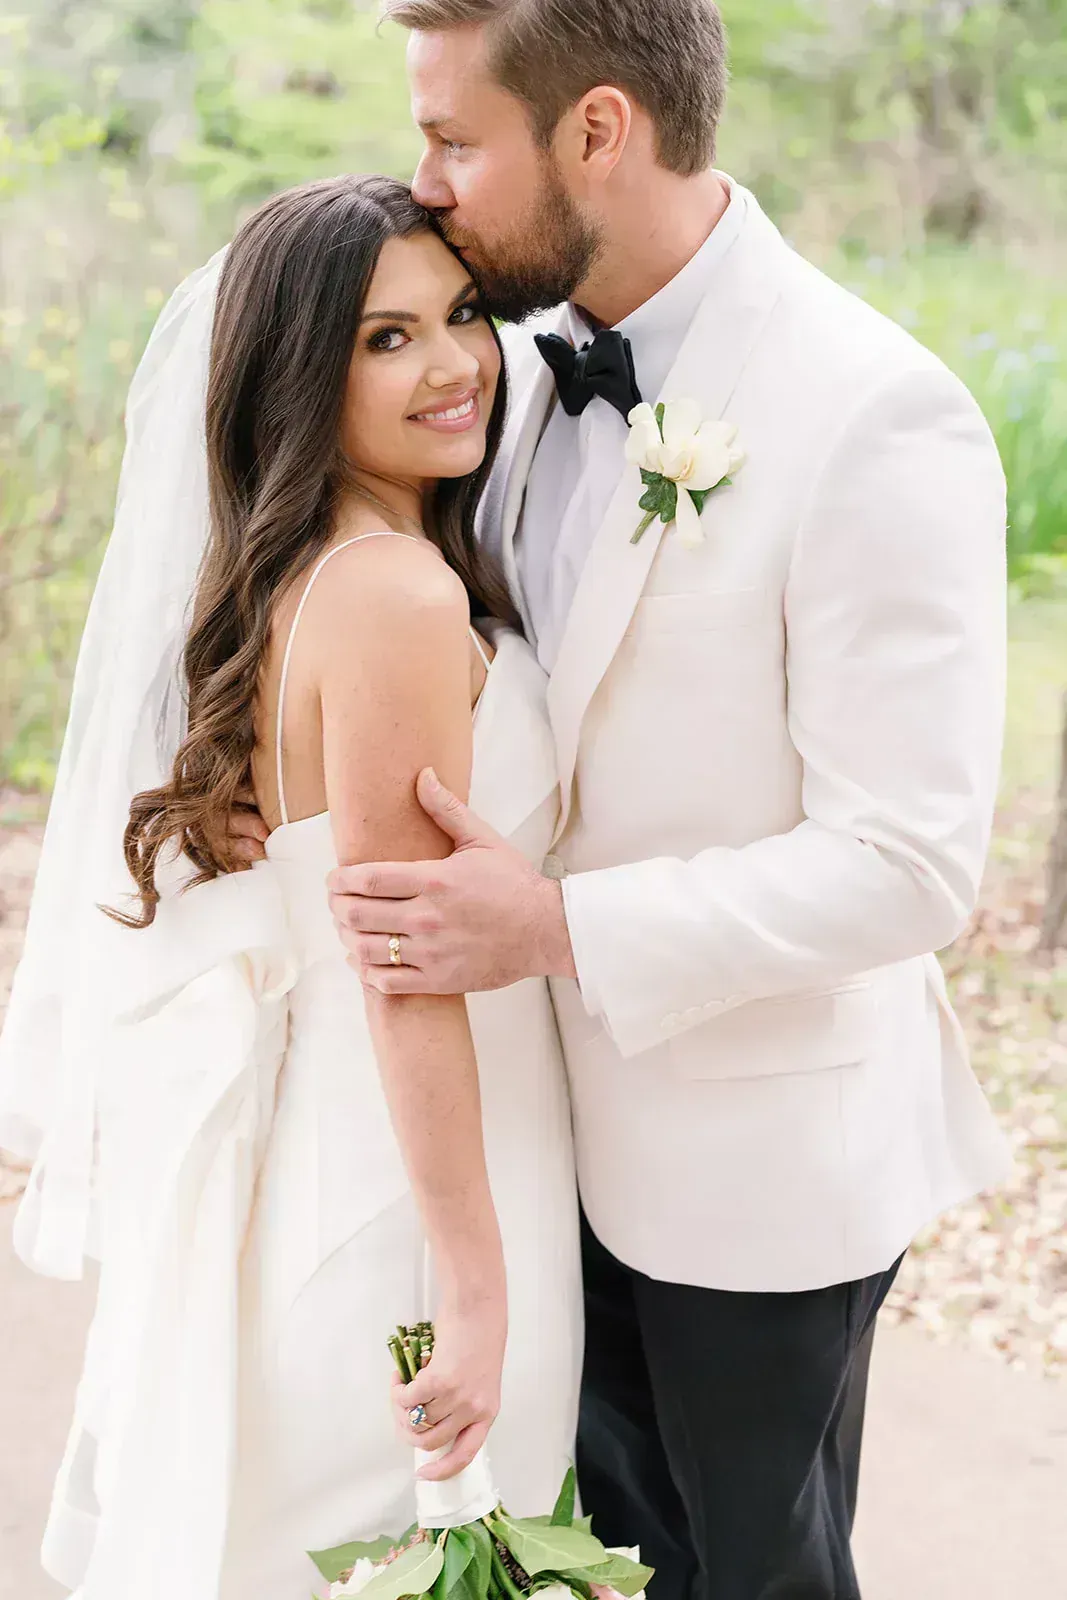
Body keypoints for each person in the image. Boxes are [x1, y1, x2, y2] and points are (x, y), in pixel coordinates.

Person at [308, 3, 1012, 1597]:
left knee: (748, 1574)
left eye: (452, 139)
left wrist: (551, 927)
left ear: (598, 133)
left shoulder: (871, 413)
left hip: (753, 1164)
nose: (422, 186)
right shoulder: (506, 368)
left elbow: (905, 867)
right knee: (603, 1566)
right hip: (543, 1133)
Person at [0, 176, 581, 1599]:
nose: (451, 365)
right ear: (295, 372)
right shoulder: (392, 592)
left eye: (459, 316)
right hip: (409, 1186)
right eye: (384, 340)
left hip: (340, 1158)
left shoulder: (309, 570)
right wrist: (474, 1282)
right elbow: (405, 966)